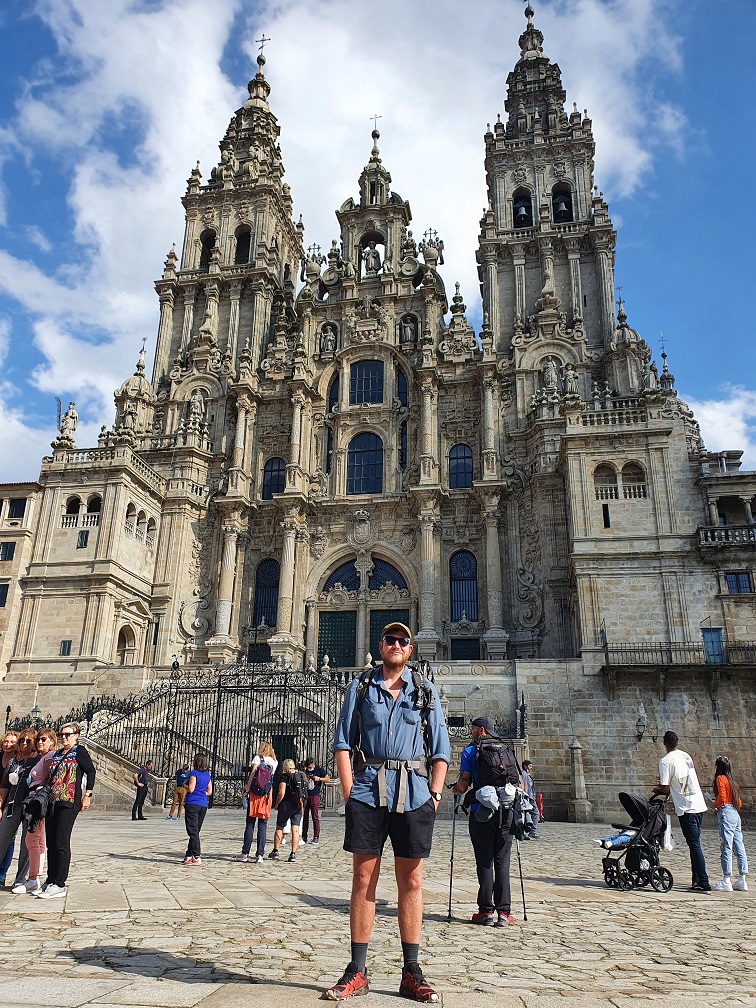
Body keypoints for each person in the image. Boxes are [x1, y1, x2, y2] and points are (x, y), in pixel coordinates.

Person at [326, 621, 450, 1003]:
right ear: (380, 646)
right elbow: (343, 743)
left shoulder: (425, 691)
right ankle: (357, 970)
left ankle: (411, 970)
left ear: (410, 649)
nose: (396, 645)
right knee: (363, 880)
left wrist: (434, 794)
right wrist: (350, 794)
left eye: (402, 641)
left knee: (411, 882)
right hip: (367, 792)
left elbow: (441, 749)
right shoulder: (360, 688)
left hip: (414, 795)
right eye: (390, 640)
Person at [452, 716, 520, 928]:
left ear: (481, 730)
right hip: (506, 812)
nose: (470, 732)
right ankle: (504, 912)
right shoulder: (507, 750)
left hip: (481, 813)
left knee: (484, 861)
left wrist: (456, 790)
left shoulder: (472, 751)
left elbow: (464, 781)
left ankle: (485, 911)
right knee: (503, 861)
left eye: (473, 729)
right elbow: (518, 781)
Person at [36, 722, 95, 899]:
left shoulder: (80, 751)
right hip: (52, 801)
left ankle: (59, 883)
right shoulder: (57, 754)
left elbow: (91, 771)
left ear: (76, 735)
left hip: (68, 802)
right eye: (62, 734)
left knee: (61, 841)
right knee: (51, 843)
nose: (64, 737)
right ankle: (50, 879)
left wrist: (88, 795)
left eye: (68, 734)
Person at [653, 730, 710, 892]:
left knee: (694, 845)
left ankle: (703, 881)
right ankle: (696, 880)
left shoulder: (665, 761)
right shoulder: (686, 756)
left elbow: (664, 788)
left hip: (687, 807)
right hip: (698, 804)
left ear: (664, 743)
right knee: (695, 844)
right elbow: (682, 778)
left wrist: (657, 789)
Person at [14, 728, 58, 894]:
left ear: (52, 742)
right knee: (37, 840)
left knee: (32, 839)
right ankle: (35, 877)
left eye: (44, 739)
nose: (40, 742)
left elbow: (47, 778)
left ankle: (33, 879)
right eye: (38, 739)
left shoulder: (48, 756)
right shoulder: (41, 757)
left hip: (38, 800)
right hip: (36, 799)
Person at [0, 729, 39, 890]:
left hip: (30, 806)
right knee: (2, 838)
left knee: (26, 843)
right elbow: (4, 786)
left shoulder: (38, 760)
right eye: (21, 740)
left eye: (28, 741)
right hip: (12, 805)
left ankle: (20, 879)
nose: (23, 744)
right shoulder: (14, 761)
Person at [709, 756, 748, 892]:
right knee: (739, 846)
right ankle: (742, 878)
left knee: (726, 846)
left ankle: (726, 879)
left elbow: (722, 798)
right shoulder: (732, 781)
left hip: (726, 812)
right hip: (735, 814)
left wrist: (714, 804)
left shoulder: (720, 778)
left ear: (717, 766)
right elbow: (739, 802)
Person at [236, 742, 278, 863]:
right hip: (266, 795)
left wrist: (247, 790)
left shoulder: (258, 758)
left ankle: (245, 853)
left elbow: (253, 774)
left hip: (255, 795)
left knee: (250, 823)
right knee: (262, 825)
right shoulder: (274, 762)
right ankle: (260, 854)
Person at [267, 758, 307, 863]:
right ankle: (293, 853)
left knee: (280, 827)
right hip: (297, 804)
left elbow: (281, 792)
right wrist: (302, 807)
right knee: (295, 829)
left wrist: (276, 803)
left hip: (286, 805)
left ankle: (275, 851)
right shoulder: (299, 776)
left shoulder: (284, 777)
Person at [183, 753, 212, 866]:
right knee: (196, 831)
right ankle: (189, 855)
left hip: (192, 803)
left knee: (192, 830)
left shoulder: (194, 773)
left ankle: (197, 855)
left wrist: (184, 786)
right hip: (203, 805)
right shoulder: (207, 775)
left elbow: (191, 788)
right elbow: (209, 792)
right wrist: (201, 792)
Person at [0, 732, 18, 885]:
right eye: (6, 741)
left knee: (9, 840)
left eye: (12, 741)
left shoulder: (18, 761)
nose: (8, 744)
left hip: (10, 803)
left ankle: (2, 875)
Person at [302, 755, 330, 846]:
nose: (310, 768)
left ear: (314, 764)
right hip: (306, 795)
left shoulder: (319, 769)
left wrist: (319, 779)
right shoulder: (305, 770)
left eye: (311, 767)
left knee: (315, 816)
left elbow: (327, 779)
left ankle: (316, 836)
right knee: (305, 816)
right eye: (308, 767)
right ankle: (304, 836)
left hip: (315, 795)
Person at [521, 759, 540, 839]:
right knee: (535, 813)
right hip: (528, 798)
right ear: (525, 766)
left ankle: (525, 832)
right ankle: (532, 831)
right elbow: (524, 787)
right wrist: (526, 798)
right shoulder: (524, 774)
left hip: (530, 797)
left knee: (524, 814)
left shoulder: (527, 774)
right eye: (530, 766)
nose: (531, 767)